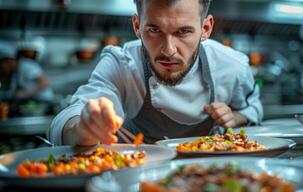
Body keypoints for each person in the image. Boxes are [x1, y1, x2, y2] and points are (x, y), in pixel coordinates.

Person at [47, 0, 263, 145]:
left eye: (183, 32)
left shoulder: (233, 66)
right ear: (136, 25)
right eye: (154, 30)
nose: (168, 50)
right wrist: (84, 129)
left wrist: (234, 117)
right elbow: (65, 122)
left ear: (206, 28)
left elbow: (254, 110)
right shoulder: (122, 64)